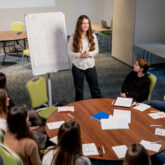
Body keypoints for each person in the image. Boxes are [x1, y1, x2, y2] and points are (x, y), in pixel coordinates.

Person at [68, 15, 102, 101]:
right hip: (77, 67)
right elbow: (69, 52)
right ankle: (79, 111)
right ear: (79, 24)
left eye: (87, 23)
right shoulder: (73, 37)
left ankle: (100, 108)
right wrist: (80, 55)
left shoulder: (93, 36)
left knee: (95, 90)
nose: (86, 25)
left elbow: (97, 50)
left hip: (90, 66)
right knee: (79, 91)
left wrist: (89, 54)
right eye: (83, 23)